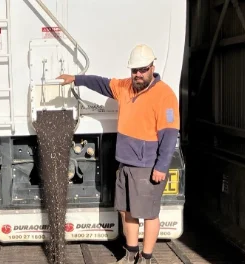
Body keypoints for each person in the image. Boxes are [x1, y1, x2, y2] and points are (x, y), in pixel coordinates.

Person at [57, 44, 180, 264]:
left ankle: (147, 258)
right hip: (124, 163)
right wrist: (76, 78)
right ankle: (131, 254)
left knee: (150, 214)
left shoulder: (165, 95)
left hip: (147, 165)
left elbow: (170, 135)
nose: (138, 74)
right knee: (126, 212)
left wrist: (162, 166)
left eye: (142, 69)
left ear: (152, 66)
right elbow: (102, 83)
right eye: (134, 70)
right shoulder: (125, 87)